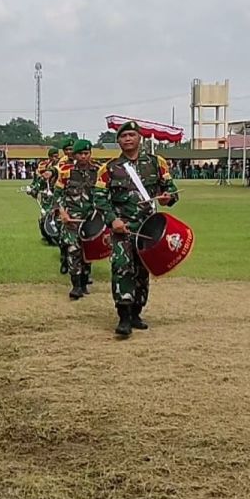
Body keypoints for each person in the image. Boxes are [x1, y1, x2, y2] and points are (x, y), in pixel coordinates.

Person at [94, 120, 179, 338]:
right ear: (118, 141)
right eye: (124, 136)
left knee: (142, 270)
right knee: (122, 266)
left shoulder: (156, 163)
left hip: (149, 228)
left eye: (132, 135)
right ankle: (123, 315)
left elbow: (171, 189)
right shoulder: (109, 168)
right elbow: (99, 198)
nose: (128, 139)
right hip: (122, 228)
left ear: (139, 138)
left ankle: (136, 313)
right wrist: (113, 220)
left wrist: (168, 197)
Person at [54, 139, 98, 299]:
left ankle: (85, 282)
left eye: (86, 153)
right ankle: (76, 286)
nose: (84, 157)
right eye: (80, 154)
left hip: (91, 220)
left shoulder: (98, 171)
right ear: (74, 155)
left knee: (87, 253)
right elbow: (58, 194)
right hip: (71, 220)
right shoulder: (66, 172)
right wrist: (62, 212)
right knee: (73, 251)